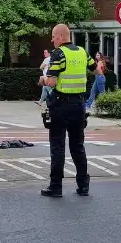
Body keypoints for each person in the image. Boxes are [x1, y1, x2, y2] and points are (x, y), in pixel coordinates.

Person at [39, 24, 95, 198]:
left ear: (61, 36)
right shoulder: (82, 52)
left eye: (54, 37)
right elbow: (98, 70)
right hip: (79, 105)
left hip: (61, 106)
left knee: (58, 146)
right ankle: (83, 185)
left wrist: (42, 79)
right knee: (78, 146)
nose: (52, 40)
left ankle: (56, 187)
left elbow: (52, 82)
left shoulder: (58, 54)